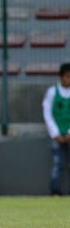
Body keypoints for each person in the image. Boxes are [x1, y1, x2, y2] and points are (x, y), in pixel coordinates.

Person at [43, 63, 70, 195]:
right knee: (57, 164)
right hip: (57, 135)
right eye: (67, 76)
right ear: (60, 77)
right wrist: (56, 133)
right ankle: (55, 192)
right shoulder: (52, 92)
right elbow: (47, 113)